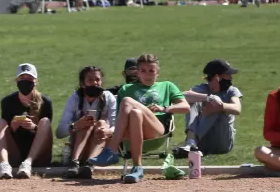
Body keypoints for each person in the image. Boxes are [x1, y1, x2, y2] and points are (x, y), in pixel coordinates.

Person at [93, 54, 189, 183]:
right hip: (130, 135)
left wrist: (164, 108)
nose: (148, 75)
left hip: (156, 132)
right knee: (136, 113)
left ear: (158, 72)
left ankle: (111, 151)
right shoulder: (126, 89)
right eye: (143, 71)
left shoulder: (167, 86)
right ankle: (137, 168)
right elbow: (120, 119)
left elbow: (185, 107)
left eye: (151, 71)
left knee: (127, 101)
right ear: (137, 73)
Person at [0, 63, 54, 179]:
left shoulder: (45, 102)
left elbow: (46, 132)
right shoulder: (7, 101)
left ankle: (28, 163)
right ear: (16, 80)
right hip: (16, 153)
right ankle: (4, 164)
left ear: (35, 81)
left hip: (40, 156)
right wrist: (13, 127)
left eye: (29, 78)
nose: (25, 82)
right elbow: (6, 132)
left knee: (45, 121)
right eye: (22, 78)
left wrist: (34, 127)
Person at [56, 66, 116, 179]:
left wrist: (108, 131)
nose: (94, 83)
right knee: (86, 122)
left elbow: (116, 126)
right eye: (90, 80)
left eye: (97, 79)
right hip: (79, 143)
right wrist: (76, 125)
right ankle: (74, 163)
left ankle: (90, 164)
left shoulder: (108, 97)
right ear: (82, 83)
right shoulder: (75, 98)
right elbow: (59, 132)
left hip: (100, 144)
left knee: (101, 123)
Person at [177, 59, 243, 158]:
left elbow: (237, 108)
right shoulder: (203, 88)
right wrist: (208, 98)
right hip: (202, 143)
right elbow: (182, 96)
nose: (231, 78)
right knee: (192, 102)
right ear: (217, 77)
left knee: (215, 105)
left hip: (222, 143)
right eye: (228, 74)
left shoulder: (232, 91)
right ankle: (191, 142)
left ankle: (191, 143)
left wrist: (220, 107)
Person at [255, 87, 280, 171]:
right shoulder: (274, 97)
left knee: (271, 165)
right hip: (278, 149)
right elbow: (267, 133)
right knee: (260, 151)